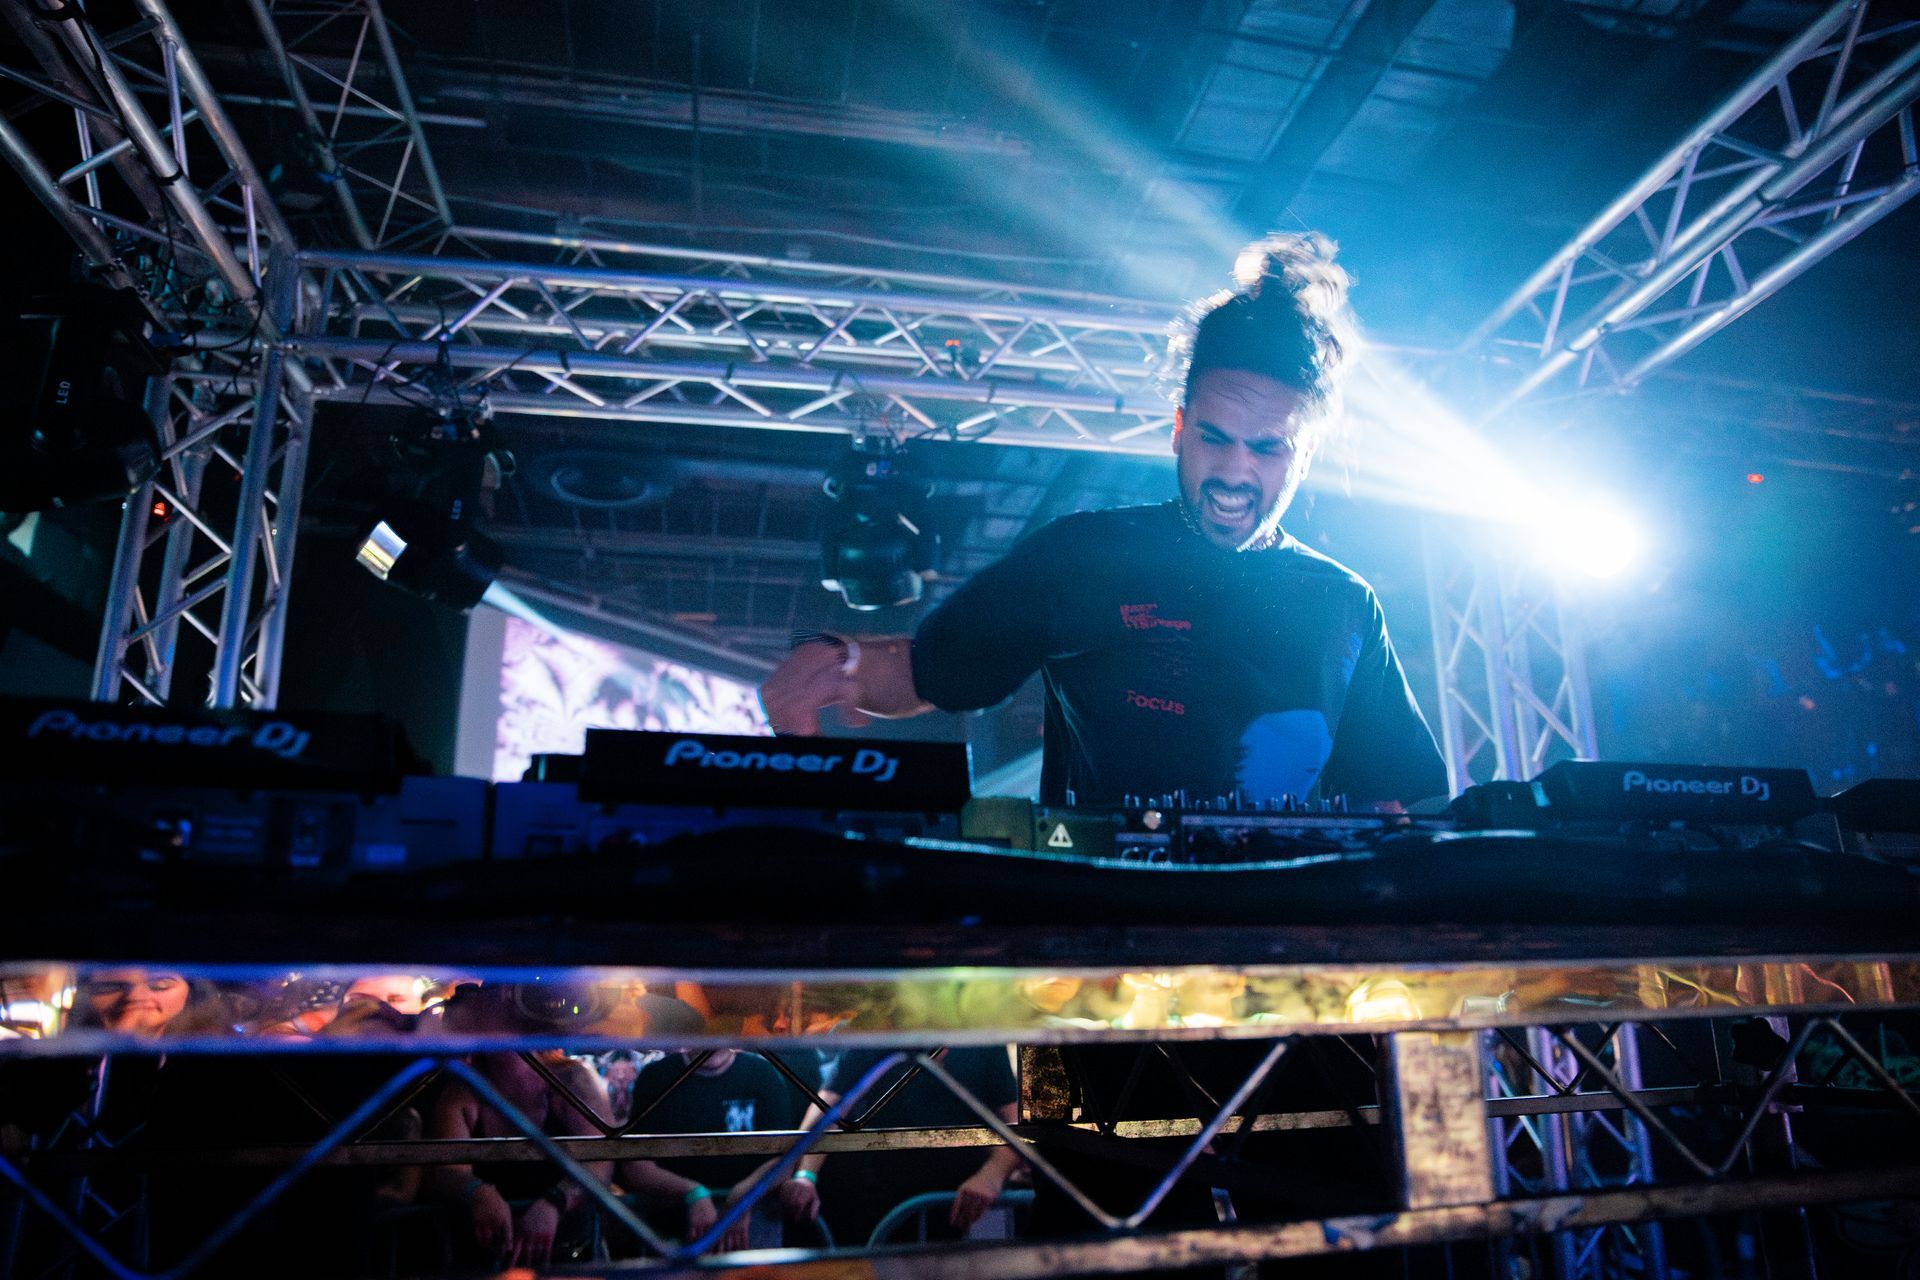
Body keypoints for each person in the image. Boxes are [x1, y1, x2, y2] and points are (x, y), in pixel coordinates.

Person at [759, 232, 1446, 811]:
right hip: (1112, 914)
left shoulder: (1345, 603)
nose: (1235, 472)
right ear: (1178, 429)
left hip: (1280, 922)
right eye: (1214, 438)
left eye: (1267, 448)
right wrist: (845, 665)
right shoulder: (1087, 556)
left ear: (1306, 454)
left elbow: (1399, 801)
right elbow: (929, 671)